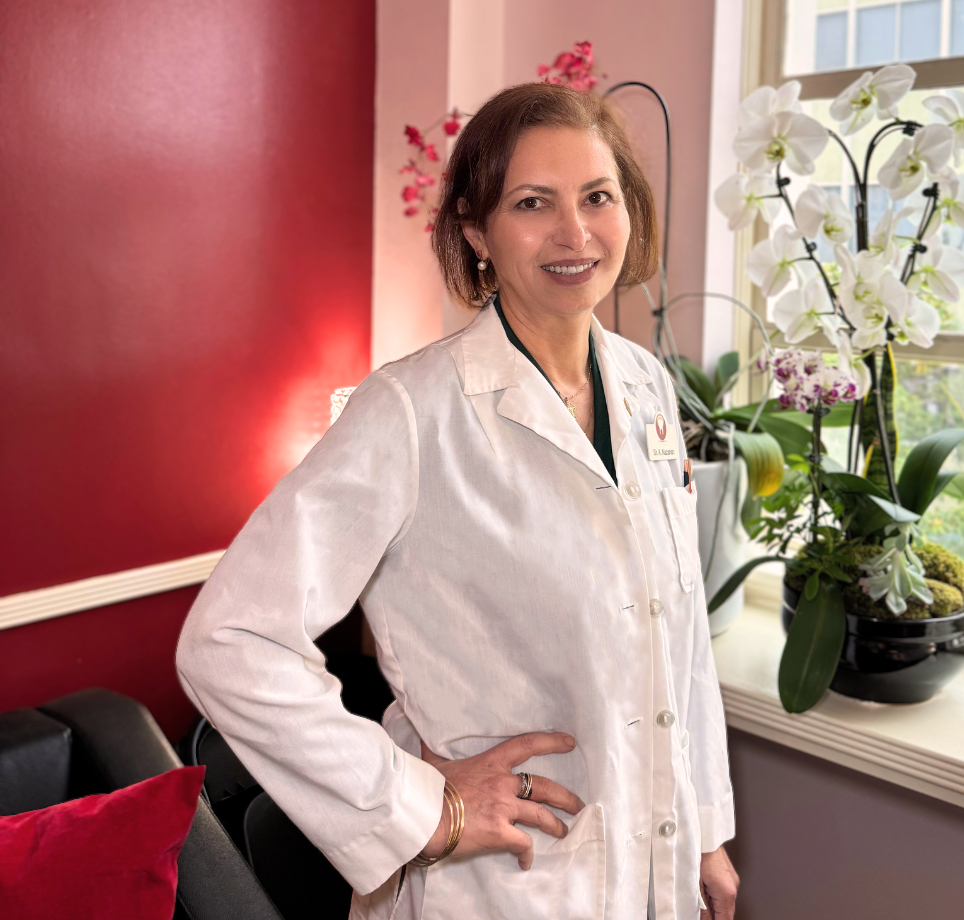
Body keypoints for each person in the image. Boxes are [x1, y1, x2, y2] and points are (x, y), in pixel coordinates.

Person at [176, 82, 739, 919]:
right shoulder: (410, 411)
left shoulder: (647, 386)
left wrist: (702, 830)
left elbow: (677, 629)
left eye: (597, 197)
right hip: (495, 888)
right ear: (476, 230)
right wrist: (419, 808)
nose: (575, 234)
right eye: (531, 203)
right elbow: (228, 641)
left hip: (647, 877)